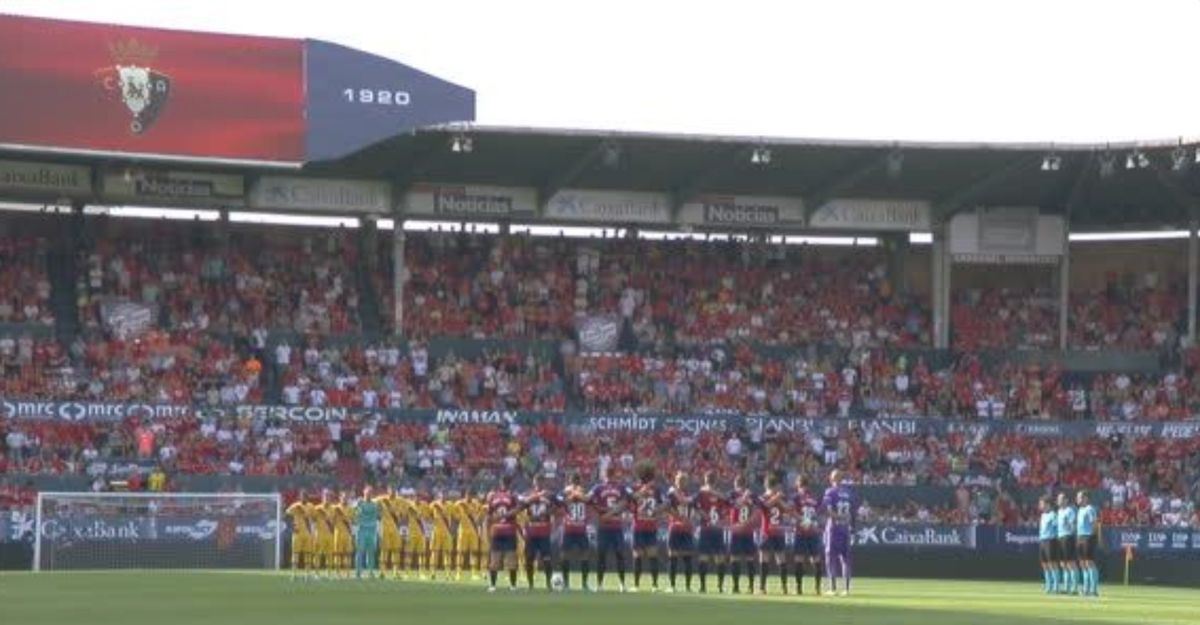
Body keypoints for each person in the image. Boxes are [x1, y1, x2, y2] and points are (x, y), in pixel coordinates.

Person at [589, 466, 632, 592]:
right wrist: (603, 513)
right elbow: (591, 502)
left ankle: (621, 584)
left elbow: (626, 502)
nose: (610, 476)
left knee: (618, 555)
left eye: (611, 473)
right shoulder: (599, 487)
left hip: (614, 526)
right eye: (610, 473)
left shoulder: (620, 487)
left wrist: (607, 513)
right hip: (606, 527)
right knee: (603, 555)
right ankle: (601, 584)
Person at [822, 469, 858, 596]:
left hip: (833, 529)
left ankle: (832, 588)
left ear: (831, 479)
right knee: (846, 559)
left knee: (830, 558)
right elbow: (853, 513)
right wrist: (852, 527)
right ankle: (847, 589)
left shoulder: (830, 492)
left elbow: (827, 511)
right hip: (846, 530)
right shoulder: (849, 493)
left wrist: (839, 517)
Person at [630, 464, 663, 592]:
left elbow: (631, 499)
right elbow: (632, 498)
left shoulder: (640, 488)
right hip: (646, 525)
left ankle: (641, 585)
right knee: (648, 556)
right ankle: (651, 585)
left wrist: (657, 510)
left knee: (642, 556)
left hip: (642, 526)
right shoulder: (653, 489)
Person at [521, 475, 557, 591]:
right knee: (529, 559)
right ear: (533, 482)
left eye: (540, 482)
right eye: (536, 482)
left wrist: (548, 512)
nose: (538, 484)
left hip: (544, 532)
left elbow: (557, 508)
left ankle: (549, 584)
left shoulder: (549, 495)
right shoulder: (528, 494)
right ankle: (530, 584)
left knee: (547, 559)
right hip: (531, 532)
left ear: (543, 482)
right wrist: (535, 498)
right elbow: (521, 504)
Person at [487, 474, 520, 592]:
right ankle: (511, 586)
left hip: (500, 530)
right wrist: (508, 514)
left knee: (499, 559)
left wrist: (505, 515)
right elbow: (518, 509)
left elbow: (489, 515)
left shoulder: (494, 495)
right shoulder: (512, 495)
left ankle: (494, 586)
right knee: (505, 559)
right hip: (506, 530)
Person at [695, 471, 727, 593]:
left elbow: (694, 506)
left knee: (704, 557)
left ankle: (703, 587)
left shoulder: (701, 493)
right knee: (719, 558)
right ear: (715, 480)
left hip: (706, 529)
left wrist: (702, 514)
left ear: (705, 479)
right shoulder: (719, 494)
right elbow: (727, 504)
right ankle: (720, 587)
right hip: (716, 529)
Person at [560, 472, 593, 591]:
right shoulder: (565, 492)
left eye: (576, 479)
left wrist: (578, 494)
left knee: (585, 555)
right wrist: (572, 495)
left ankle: (584, 583)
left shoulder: (583, 490)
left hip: (581, 528)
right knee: (564, 555)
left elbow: (588, 499)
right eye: (574, 479)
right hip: (569, 527)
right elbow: (562, 503)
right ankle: (566, 583)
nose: (575, 482)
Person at [727, 474, 759, 594]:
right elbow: (757, 512)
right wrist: (748, 523)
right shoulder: (752, 495)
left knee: (735, 559)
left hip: (736, 530)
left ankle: (736, 587)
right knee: (750, 559)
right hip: (748, 530)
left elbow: (734, 505)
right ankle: (751, 587)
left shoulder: (732, 494)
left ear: (736, 483)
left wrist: (741, 524)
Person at [758, 474, 789, 594]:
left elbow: (787, 509)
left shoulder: (775, 497)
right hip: (769, 532)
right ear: (774, 485)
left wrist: (778, 498)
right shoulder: (764, 497)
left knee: (780, 559)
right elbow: (765, 506)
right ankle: (763, 587)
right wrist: (777, 497)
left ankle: (783, 587)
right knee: (768, 558)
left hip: (774, 532)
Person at [664, 471, 696, 593]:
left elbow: (667, 508)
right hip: (685, 527)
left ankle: (673, 586)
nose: (682, 483)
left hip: (676, 527)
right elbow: (693, 510)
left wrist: (676, 517)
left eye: (682, 480)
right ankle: (687, 587)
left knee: (674, 558)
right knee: (686, 558)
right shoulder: (691, 495)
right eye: (681, 480)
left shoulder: (671, 494)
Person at [793, 476, 823, 595]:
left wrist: (805, 522)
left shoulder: (796, 497)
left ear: (798, 485)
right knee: (815, 559)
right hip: (813, 531)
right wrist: (812, 523)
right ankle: (817, 588)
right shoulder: (815, 497)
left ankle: (799, 588)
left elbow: (793, 513)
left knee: (799, 559)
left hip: (801, 531)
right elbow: (819, 512)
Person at [452, 489, 485, 581]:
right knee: (460, 552)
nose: (469, 497)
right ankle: (458, 573)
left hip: (473, 531)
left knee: (473, 552)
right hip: (463, 531)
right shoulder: (459, 504)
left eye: (471, 495)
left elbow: (481, 513)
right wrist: (459, 518)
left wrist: (478, 519)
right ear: (465, 495)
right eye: (468, 495)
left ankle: (474, 573)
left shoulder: (476, 503)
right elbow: (453, 514)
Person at [375, 487, 404, 578]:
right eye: (391, 490)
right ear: (388, 491)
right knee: (384, 550)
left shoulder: (400, 500)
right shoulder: (383, 499)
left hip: (395, 528)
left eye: (394, 490)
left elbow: (407, 508)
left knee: (396, 550)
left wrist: (401, 516)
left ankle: (396, 572)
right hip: (385, 529)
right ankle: (382, 572)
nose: (392, 492)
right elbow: (371, 501)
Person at [354, 485, 382, 579]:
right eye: (367, 493)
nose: (369, 495)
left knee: (371, 552)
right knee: (360, 551)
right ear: (364, 493)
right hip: (362, 530)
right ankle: (358, 572)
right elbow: (354, 514)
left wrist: (380, 509)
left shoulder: (375, 505)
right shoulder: (359, 503)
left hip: (372, 530)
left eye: (370, 493)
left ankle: (370, 571)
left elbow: (379, 516)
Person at [1075, 491, 1100, 596]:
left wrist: (1092, 537)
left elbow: (1094, 525)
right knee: (1083, 564)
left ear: (1085, 498)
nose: (1077, 499)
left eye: (1079, 497)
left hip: (1087, 537)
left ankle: (1093, 590)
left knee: (1089, 563)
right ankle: (1086, 589)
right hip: (1080, 537)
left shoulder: (1090, 509)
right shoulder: (1080, 510)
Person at [285, 489, 312, 580]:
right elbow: (286, 514)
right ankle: (294, 574)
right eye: (302, 495)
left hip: (307, 533)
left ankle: (307, 575)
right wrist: (292, 526)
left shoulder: (310, 506)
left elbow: (314, 518)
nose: (304, 497)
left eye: (305, 495)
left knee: (308, 554)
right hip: (297, 533)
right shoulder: (295, 506)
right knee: (295, 554)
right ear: (300, 497)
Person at [428, 491, 456, 580]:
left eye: (445, 495)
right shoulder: (433, 504)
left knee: (447, 553)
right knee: (434, 552)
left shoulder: (450, 505)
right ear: (438, 496)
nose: (443, 497)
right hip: (436, 532)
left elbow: (454, 517)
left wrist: (452, 529)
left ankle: (448, 574)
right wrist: (433, 522)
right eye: (441, 496)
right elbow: (429, 515)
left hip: (447, 532)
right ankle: (433, 573)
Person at [1056, 492, 1078, 594]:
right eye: (1058, 499)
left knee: (1071, 563)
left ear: (1066, 500)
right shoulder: (1059, 511)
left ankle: (1074, 588)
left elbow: (1073, 526)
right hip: (1060, 538)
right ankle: (1066, 587)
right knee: (1063, 564)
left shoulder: (1070, 511)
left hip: (1068, 537)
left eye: (1060, 499)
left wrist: (1069, 529)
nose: (1058, 501)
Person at [1037, 495, 1059, 594]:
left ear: (1047, 504)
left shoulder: (1053, 515)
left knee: (1052, 564)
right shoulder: (1043, 515)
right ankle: (1048, 585)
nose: (1040, 505)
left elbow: (1057, 528)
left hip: (1051, 541)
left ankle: (1056, 586)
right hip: (1042, 540)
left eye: (1041, 503)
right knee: (1045, 564)